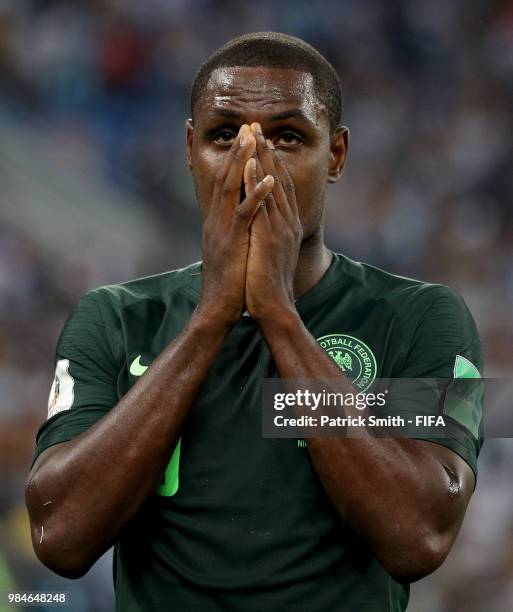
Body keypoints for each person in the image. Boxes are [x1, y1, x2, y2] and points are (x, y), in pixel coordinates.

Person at [25, 32, 483, 611]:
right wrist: (211, 317)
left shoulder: (420, 317)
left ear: (336, 156)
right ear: (191, 150)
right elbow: (58, 539)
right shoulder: (116, 318)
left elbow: (418, 537)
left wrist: (279, 316)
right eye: (223, 136)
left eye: (288, 137)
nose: (253, 164)